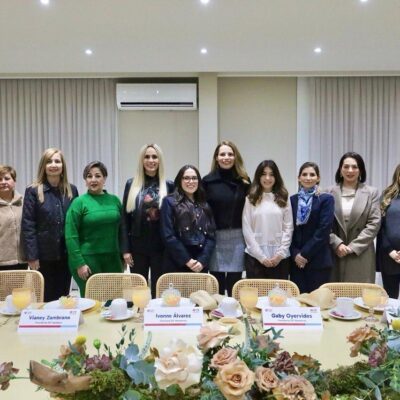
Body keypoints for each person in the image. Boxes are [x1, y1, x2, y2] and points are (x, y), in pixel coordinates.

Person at [22, 148, 78, 301]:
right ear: (44, 166)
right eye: (49, 161)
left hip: (66, 254)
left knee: (63, 298)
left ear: (62, 166)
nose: (53, 165)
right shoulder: (33, 190)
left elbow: (75, 223)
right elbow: (28, 225)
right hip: (43, 257)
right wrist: (32, 256)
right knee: (45, 299)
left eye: (57, 161)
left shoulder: (71, 190)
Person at [121, 144, 174, 297]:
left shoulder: (169, 185)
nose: (151, 160)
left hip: (161, 248)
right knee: (139, 292)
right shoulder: (131, 184)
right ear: (141, 160)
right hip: (137, 248)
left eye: (154, 157)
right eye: (147, 157)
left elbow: (173, 220)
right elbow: (125, 219)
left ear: (160, 160)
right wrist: (125, 249)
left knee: (160, 291)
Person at [65, 161, 122, 296]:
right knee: (92, 301)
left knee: (114, 300)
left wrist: (122, 255)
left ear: (105, 178)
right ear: (85, 180)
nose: (93, 179)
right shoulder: (79, 202)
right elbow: (70, 234)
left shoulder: (115, 200)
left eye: (98, 175)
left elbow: (122, 230)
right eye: (89, 176)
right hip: (87, 262)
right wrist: (79, 263)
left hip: (113, 260)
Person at [203, 141, 250, 296]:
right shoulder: (207, 181)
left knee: (234, 286)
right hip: (214, 238)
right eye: (222, 154)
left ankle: (234, 311)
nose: (226, 157)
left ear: (235, 157)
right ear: (216, 158)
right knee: (217, 286)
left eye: (230, 154)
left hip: (237, 237)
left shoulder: (244, 181)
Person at [328, 152, 381, 283]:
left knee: (360, 293)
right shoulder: (328, 193)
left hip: (361, 253)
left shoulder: (372, 193)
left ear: (360, 170)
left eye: (354, 167)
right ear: (340, 170)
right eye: (346, 166)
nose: (350, 170)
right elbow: (323, 224)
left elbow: (374, 223)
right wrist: (337, 243)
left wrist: (353, 247)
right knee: (334, 293)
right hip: (335, 252)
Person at [242, 160, 293, 280]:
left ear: (276, 177)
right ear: (258, 176)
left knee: (278, 292)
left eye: (271, 174)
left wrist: (280, 254)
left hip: (280, 258)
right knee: (256, 292)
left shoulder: (284, 198)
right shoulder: (250, 199)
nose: (267, 178)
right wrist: (261, 257)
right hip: (255, 257)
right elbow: (247, 229)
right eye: (264, 174)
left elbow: (288, 227)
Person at [160, 165, 216, 273]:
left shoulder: (205, 204)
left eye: (194, 178)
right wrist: (187, 260)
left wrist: (202, 261)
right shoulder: (169, 202)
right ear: (179, 181)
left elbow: (211, 237)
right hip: (176, 263)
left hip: (200, 265)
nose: (191, 181)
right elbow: (168, 235)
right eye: (186, 178)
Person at [290, 162, 335, 293]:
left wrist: (304, 254)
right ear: (299, 178)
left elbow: (324, 229)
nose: (308, 178)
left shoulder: (326, 199)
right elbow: (288, 229)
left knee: (318, 302)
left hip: (318, 260)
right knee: (297, 301)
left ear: (318, 178)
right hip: (296, 261)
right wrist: (295, 254)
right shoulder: (292, 200)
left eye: (312, 175)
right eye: (304, 174)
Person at [377, 164, 400, 299]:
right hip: (389, 255)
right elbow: (380, 227)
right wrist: (390, 250)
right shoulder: (387, 195)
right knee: (390, 300)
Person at [0, 165, 27, 270]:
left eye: (7, 178)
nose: (3, 182)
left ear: (14, 181)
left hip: (22, 261)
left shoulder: (25, 202)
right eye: (0, 179)